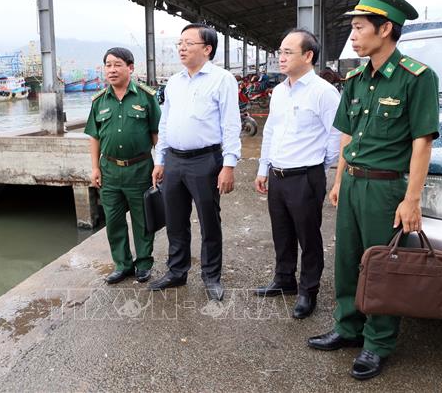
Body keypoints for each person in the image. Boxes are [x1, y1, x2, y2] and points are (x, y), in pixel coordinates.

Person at [307, 0, 440, 380]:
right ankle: (348, 327)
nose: (353, 35)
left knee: (382, 265)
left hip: (386, 188)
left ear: (386, 29)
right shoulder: (355, 79)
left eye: (359, 27)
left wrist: (411, 199)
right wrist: (338, 179)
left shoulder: (416, 77)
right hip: (353, 183)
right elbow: (347, 134)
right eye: (352, 27)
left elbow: (422, 143)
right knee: (348, 260)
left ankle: (378, 343)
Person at [148, 23, 242, 301]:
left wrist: (229, 165)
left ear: (207, 49)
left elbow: (231, 124)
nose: (181, 48)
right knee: (175, 221)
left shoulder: (222, 79)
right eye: (180, 43)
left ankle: (211, 276)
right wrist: (160, 159)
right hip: (174, 161)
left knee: (208, 220)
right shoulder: (174, 82)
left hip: (205, 161)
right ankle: (177, 272)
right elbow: (164, 124)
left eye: (188, 43)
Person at [254, 29, 341, 319]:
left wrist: (317, 166)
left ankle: (308, 290)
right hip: (277, 174)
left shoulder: (324, 92)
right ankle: (284, 279)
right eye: (280, 52)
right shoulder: (279, 91)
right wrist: (263, 168)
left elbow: (336, 136)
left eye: (288, 52)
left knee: (308, 236)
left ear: (308, 55)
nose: (281, 58)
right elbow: (270, 132)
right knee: (282, 232)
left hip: (305, 176)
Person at [84, 47, 161, 284]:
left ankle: (144, 264)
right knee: (114, 220)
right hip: (109, 171)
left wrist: (160, 164)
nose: (112, 69)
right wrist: (95, 168)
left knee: (142, 219)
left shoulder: (146, 97)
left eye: (117, 64)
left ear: (130, 67)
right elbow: (94, 136)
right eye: (108, 65)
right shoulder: (99, 101)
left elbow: (157, 133)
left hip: (139, 169)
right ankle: (122, 264)